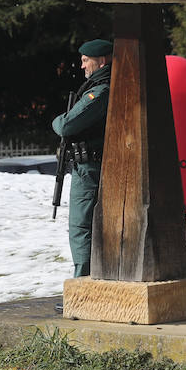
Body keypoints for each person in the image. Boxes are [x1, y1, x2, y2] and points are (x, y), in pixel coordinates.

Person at [51, 38, 113, 277]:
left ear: (102, 61)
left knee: (81, 227)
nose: (82, 66)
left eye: (86, 60)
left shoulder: (101, 90)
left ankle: (83, 283)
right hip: (89, 165)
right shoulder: (101, 87)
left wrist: (57, 120)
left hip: (90, 168)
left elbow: (67, 125)